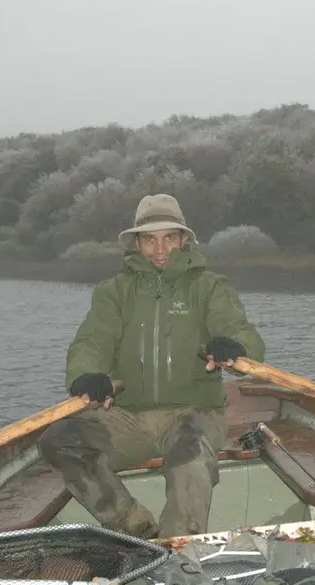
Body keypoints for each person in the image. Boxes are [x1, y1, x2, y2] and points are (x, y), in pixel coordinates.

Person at [38, 193, 265, 540]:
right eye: (150, 239)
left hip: (194, 413)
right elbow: (91, 342)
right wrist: (86, 375)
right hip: (126, 418)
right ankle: (138, 532)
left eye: (169, 238)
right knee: (59, 441)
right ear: (136, 243)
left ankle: (178, 550)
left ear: (184, 240)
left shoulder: (209, 287)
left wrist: (235, 348)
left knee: (191, 455)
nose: (160, 249)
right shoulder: (113, 292)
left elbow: (242, 334)